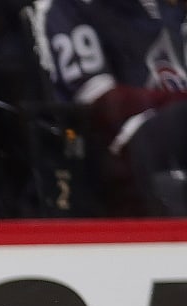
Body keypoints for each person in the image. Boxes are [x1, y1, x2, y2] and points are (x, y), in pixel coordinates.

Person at [38, 0, 187, 216]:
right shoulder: (71, 7)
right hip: (125, 143)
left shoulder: (168, 9)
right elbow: (102, 103)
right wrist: (176, 101)